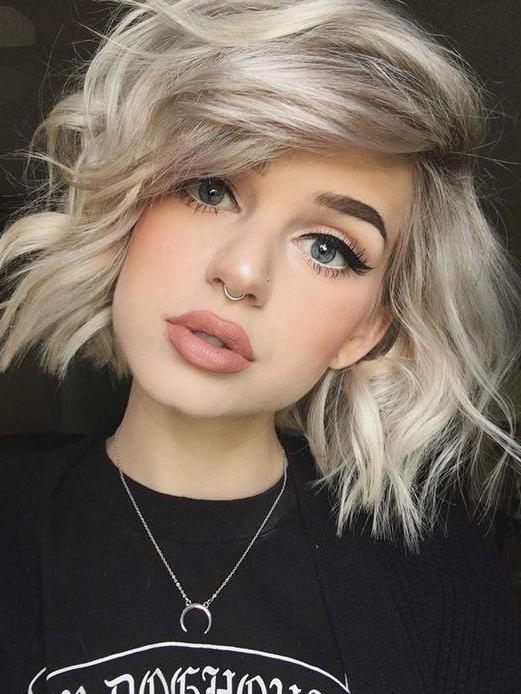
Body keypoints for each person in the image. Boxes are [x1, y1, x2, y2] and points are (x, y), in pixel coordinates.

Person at [1, 0, 520, 692]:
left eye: (327, 247)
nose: (243, 272)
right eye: (210, 188)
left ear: (365, 330)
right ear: (130, 208)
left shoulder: (446, 579)